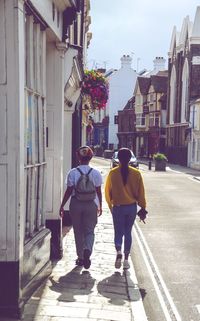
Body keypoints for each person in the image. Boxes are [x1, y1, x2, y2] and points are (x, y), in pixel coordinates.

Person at [59, 146, 102, 269]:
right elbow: (98, 192)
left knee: (78, 231)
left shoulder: (72, 173)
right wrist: (100, 206)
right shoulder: (96, 173)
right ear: (91, 158)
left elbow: (69, 191)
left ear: (78, 157)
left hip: (76, 204)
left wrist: (62, 205)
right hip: (91, 204)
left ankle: (81, 257)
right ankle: (87, 249)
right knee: (89, 231)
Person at [105, 148, 147, 269]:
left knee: (118, 232)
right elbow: (141, 193)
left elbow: (108, 192)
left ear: (118, 159)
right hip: (131, 208)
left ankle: (118, 252)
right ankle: (127, 260)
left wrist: (110, 205)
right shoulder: (137, 173)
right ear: (130, 158)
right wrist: (143, 207)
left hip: (118, 207)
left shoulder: (113, 173)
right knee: (128, 232)